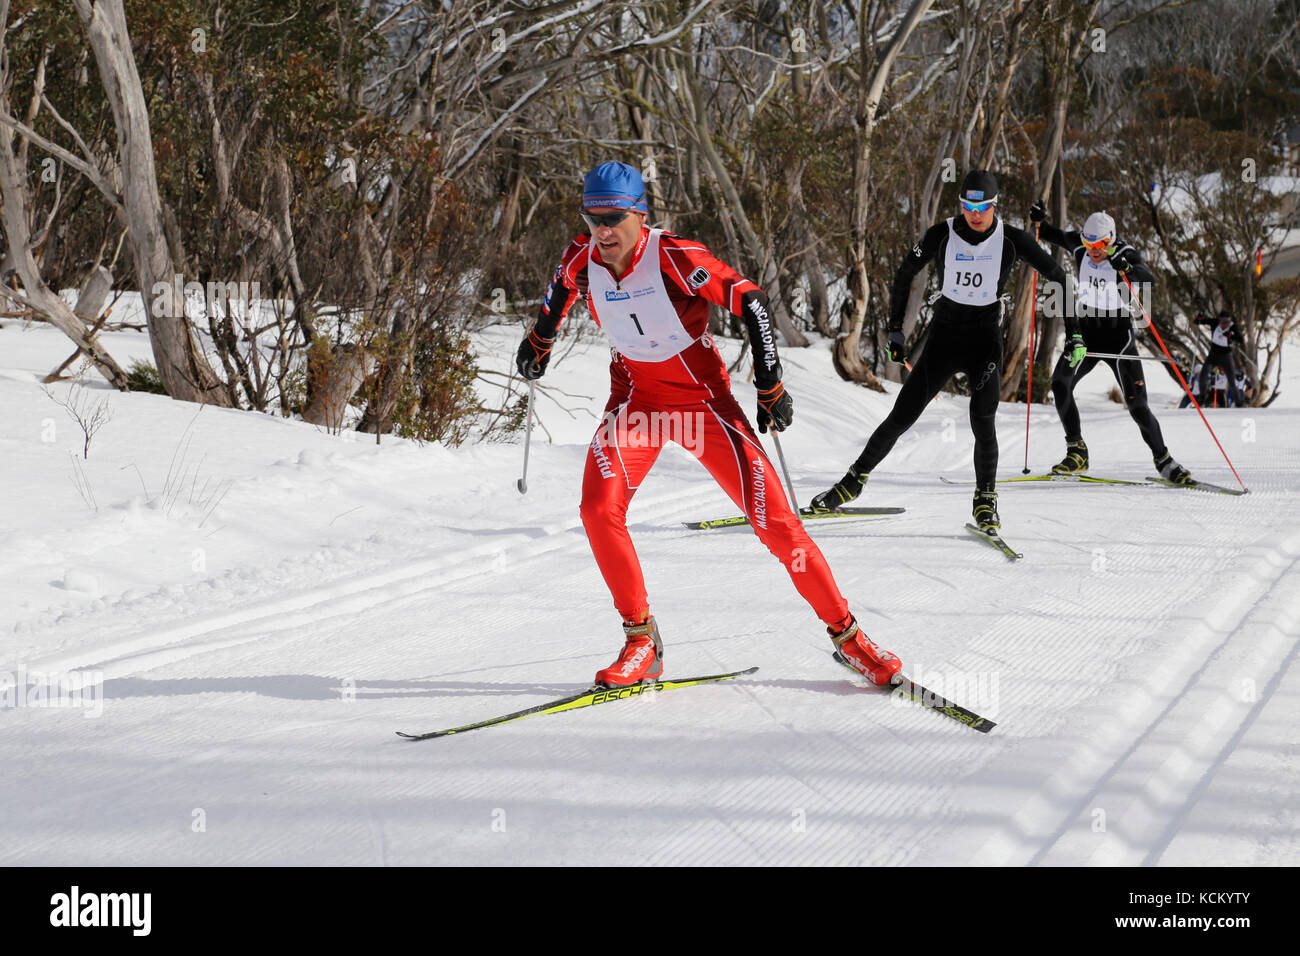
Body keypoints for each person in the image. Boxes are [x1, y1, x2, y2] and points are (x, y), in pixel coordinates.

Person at [516, 161, 901, 688]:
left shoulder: (674, 257)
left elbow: (754, 303)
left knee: (778, 526)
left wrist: (770, 382)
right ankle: (641, 641)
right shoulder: (583, 256)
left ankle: (849, 638)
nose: (601, 230)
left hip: (704, 409)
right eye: (591, 217)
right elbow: (560, 289)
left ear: (639, 214)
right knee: (597, 508)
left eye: (612, 217)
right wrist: (540, 338)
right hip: (636, 404)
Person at [809, 170, 1068, 532]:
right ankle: (851, 483)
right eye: (967, 205)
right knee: (900, 418)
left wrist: (1074, 325)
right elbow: (905, 272)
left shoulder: (1013, 240)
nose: (974, 214)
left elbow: (1058, 274)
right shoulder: (942, 233)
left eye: (982, 207)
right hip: (944, 339)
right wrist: (896, 331)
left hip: (985, 344)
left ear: (995, 206)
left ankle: (985, 501)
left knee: (982, 417)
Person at [1030, 205, 1192, 483]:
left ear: (1112, 239)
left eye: (1100, 244)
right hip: (1087, 332)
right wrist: (1038, 220)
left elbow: (1147, 277)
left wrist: (1127, 269)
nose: (1093, 249)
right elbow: (1048, 234)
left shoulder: (1124, 253)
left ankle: (1165, 461)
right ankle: (1077, 452)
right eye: (1088, 242)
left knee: (1137, 405)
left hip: (1118, 337)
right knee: (1060, 383)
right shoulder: (1080, 247)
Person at [1196, 311, 1245, 406]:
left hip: (1226, 357)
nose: (1223, 324)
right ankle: (1201, 398)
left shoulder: (1232, 327)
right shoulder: (1214, 322)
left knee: (1231, 381)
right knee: (1203, 376)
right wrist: (1199, 318)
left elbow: (1241, 339)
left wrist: (1231, 336)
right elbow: (1197, 322)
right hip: (1213, 356)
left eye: (1226, 321)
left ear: (1229, 321)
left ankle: (1238, 403)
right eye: (1222, 321)